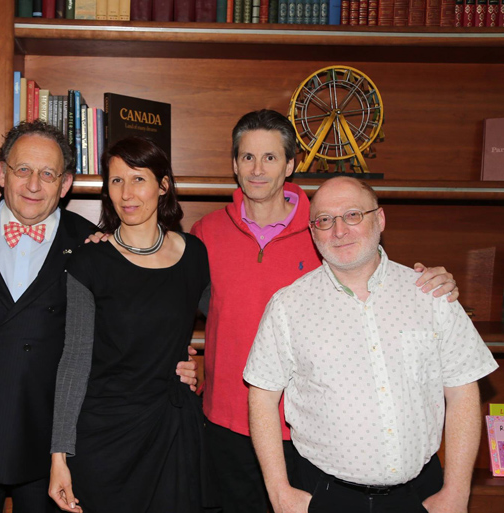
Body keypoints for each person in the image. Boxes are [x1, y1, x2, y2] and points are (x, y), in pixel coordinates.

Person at [190, 109, 460, 513]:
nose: (258, 169)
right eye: (247, 157)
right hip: (226, 420)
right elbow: (175, 303)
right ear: (234, 164)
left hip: (310, 431)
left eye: (270, 157)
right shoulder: (207, 232)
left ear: (290, 165)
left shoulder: (326, 230)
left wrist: (437, 281)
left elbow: (378, 286)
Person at [0, 121, 198, 513]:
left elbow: (132, 326)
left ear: (65, 184)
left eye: (48, 174)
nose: (33, 185)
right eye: (22, 170)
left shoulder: (92, 244)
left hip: (49, 433)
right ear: (1, 173)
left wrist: (184, 361)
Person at [245, 176, 498, 513]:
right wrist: (279, 492)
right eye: (324, 220)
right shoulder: (288, 306)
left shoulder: (431, 294)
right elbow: (262, 396)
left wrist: (457, 490)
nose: (339, 231)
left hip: (422, 496)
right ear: (312, 232)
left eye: (353, 215)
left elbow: (463, 391)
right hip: (322, 495)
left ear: (379, 219)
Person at [48, 136, 217, 513]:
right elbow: (74, 361)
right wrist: (59, 456)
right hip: (104, 438)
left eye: (138, 179)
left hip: (172, 430)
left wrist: (201, 369)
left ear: (163, 185)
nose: (126, 193)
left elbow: (228, 327)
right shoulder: (89, 262)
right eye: (116, 180)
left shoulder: (194, 255)